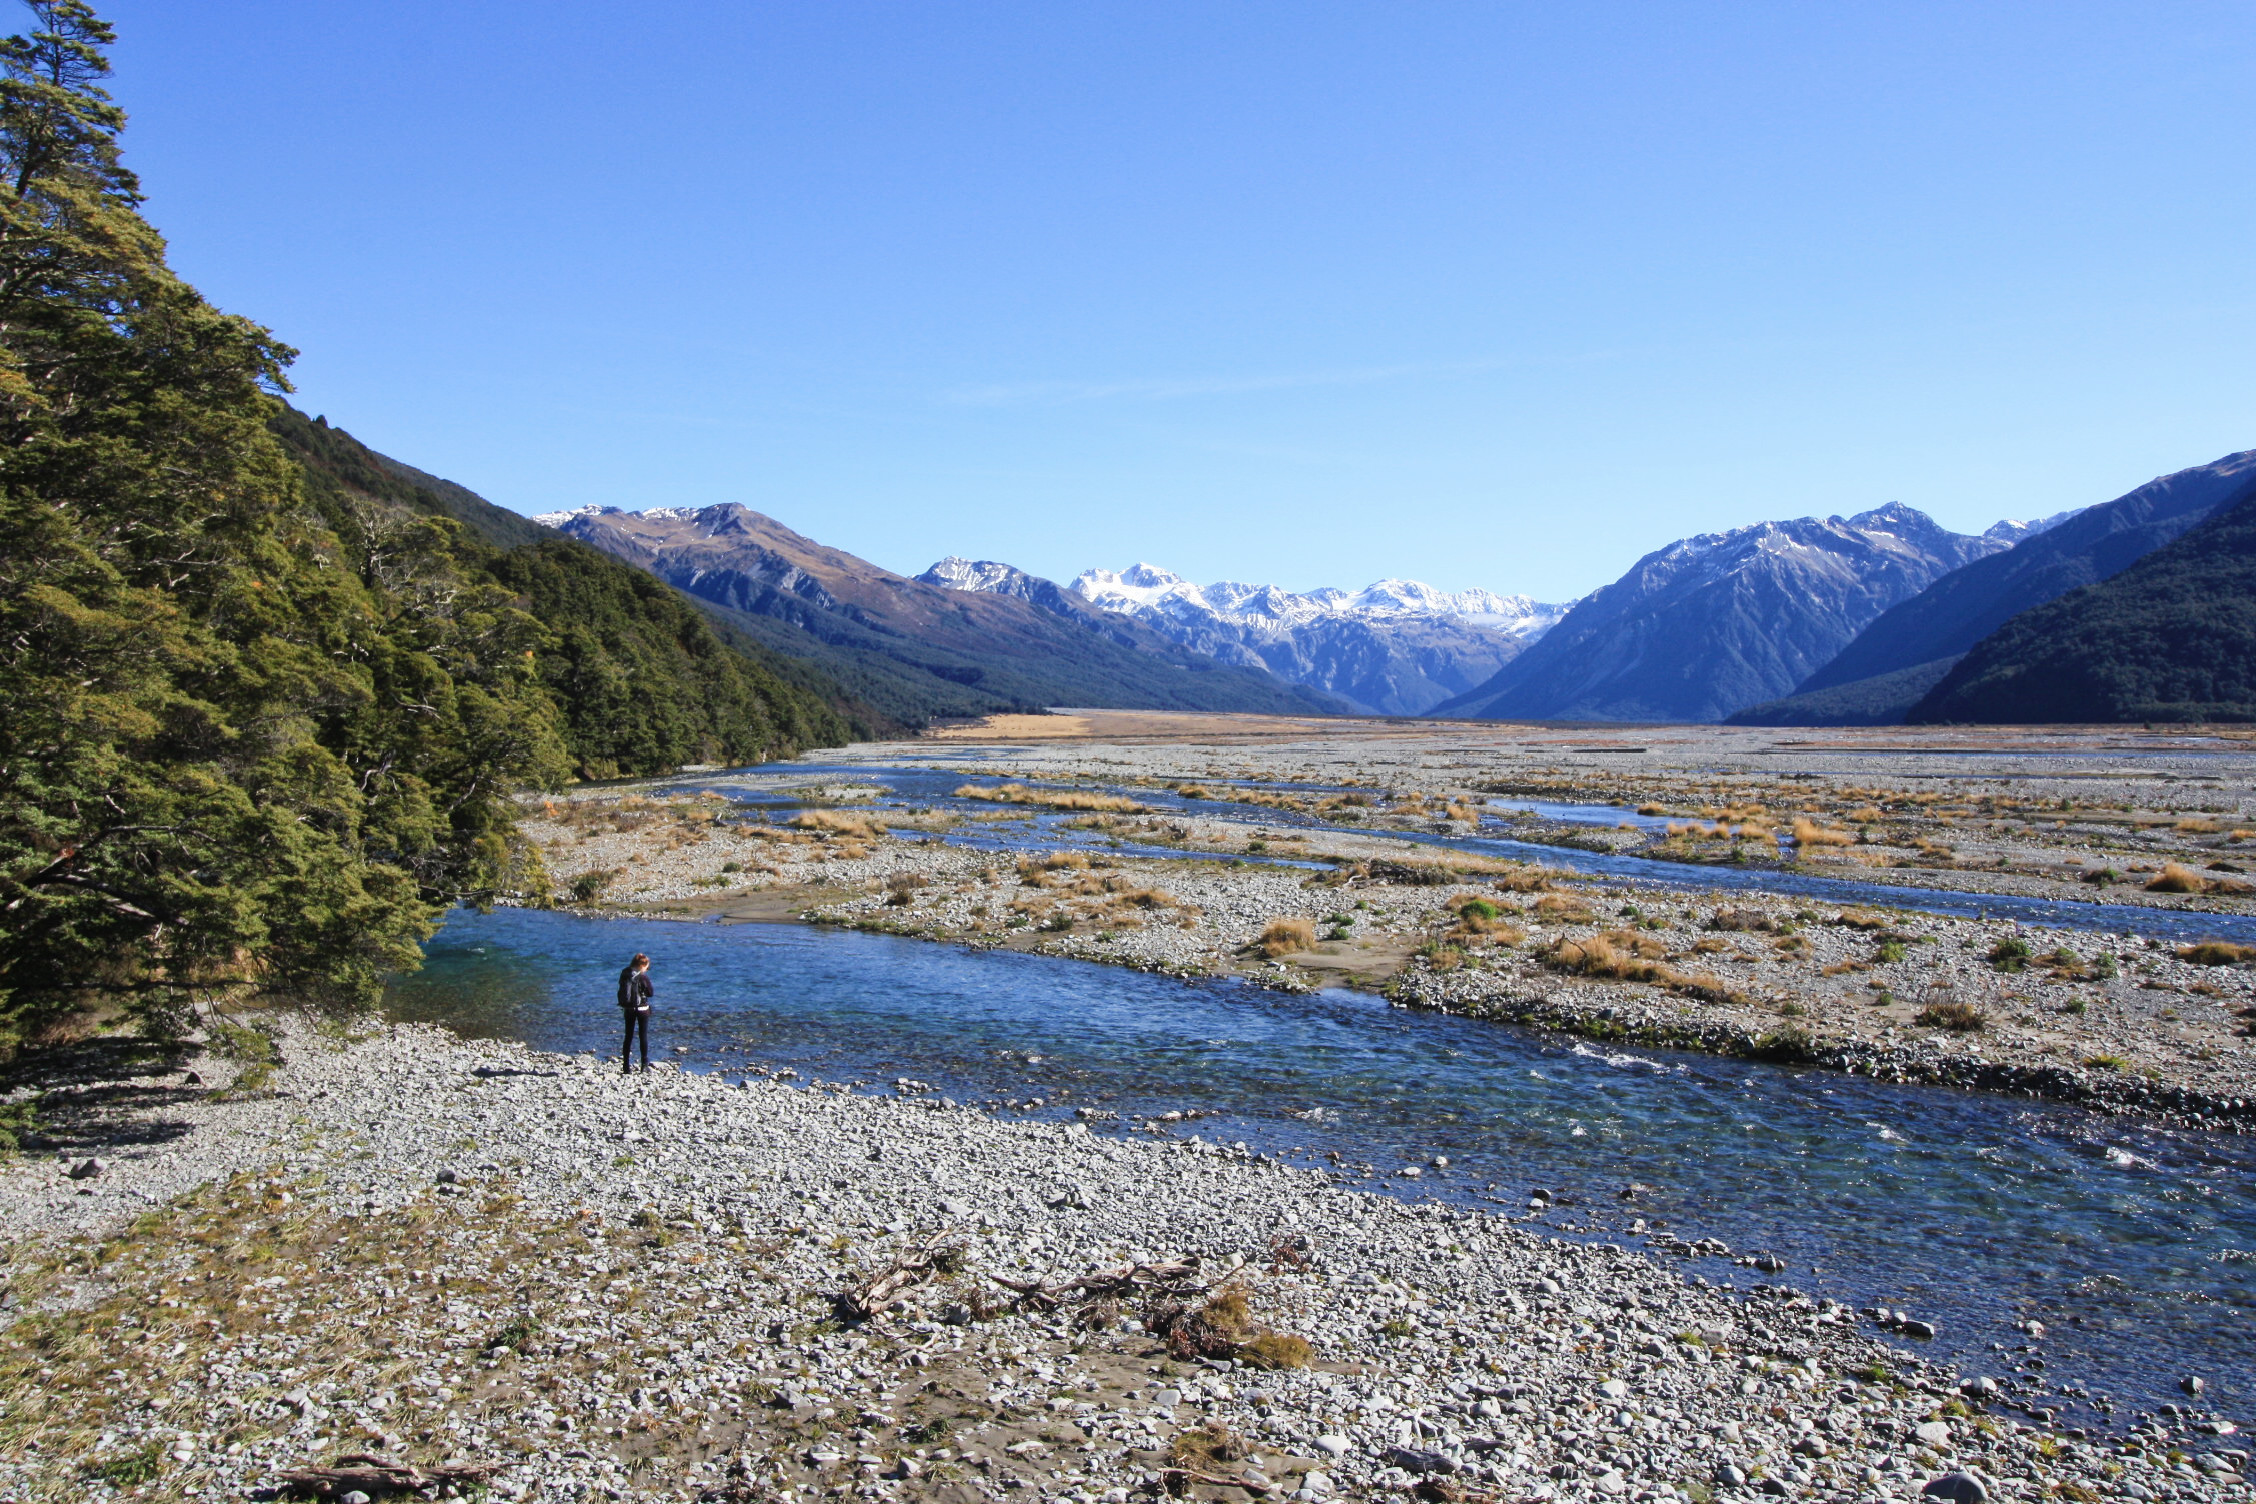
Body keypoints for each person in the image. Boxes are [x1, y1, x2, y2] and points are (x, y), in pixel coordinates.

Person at [617, 953, 654, 1073]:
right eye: (646, 966)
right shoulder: (643, 977)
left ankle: (626, 1066)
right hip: (642, 1009)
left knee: (628, 1036)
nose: (647, 969)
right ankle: (644, 1064)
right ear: (642, 965)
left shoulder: (625, 973)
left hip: (628, 1009)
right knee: (643, 1036)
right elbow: (650, 993)